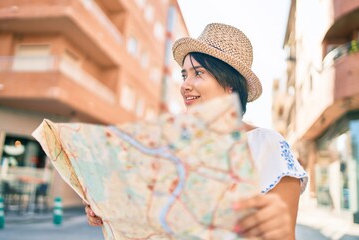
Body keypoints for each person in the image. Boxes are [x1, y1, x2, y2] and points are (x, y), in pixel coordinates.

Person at [84, 23, 308, 240]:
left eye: (198, 73)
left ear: (229, 83)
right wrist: (109, 210)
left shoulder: (266, 145)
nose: (185, 85)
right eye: (184, 75)